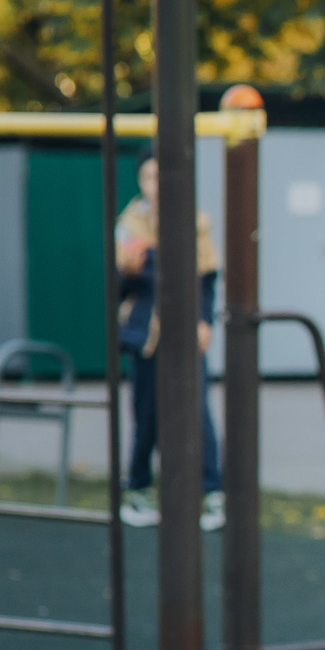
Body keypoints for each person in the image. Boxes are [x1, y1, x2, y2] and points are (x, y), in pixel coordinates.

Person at [113, 152, 225, 532]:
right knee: (146, 414)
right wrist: (128, 270)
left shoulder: (195, 222)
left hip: (186, 330)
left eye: (161, 176)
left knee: (197, 412)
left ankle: (211, 492)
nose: (155, 185)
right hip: (146, 332)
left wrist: (204, 321)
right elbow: (120, 286)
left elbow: (207, 279)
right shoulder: (129, 225)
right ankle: (139, 489)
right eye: (147, 176)